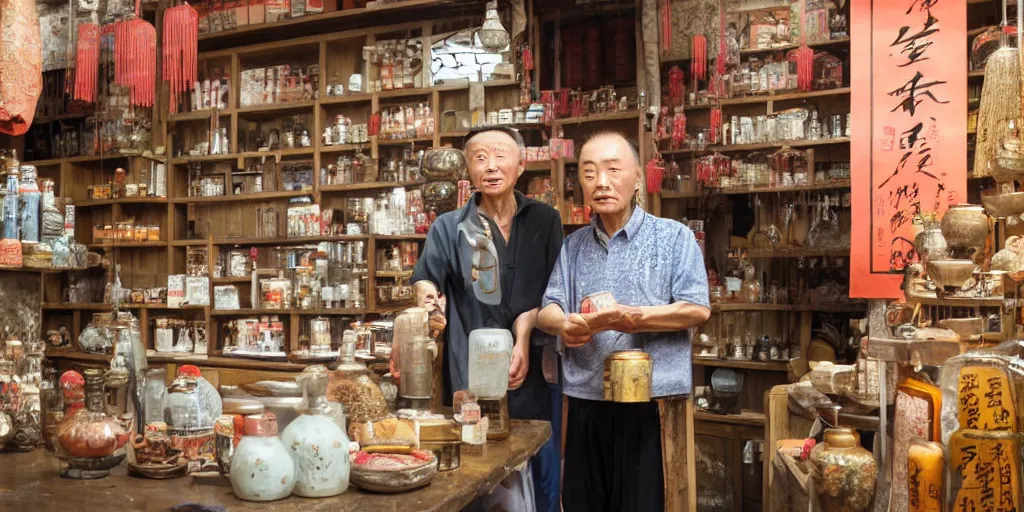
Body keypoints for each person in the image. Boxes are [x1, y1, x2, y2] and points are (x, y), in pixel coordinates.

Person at [537, 131, 711, 512]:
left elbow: (697, 308)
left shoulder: (674, 238)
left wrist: (631, 319)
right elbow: (546, 308)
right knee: (584, 503)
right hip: (585, 401)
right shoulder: (574, 245)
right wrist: (563, 323)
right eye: (589, 173)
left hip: (653, 404)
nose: (601, 182)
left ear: (637, 178)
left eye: (614, 170)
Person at [409, 125, 563, 512]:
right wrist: (428, 301)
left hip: (536, 375)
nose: (491, 166)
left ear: (521, 164)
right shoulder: (449, 227)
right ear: (468, 169)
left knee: (541, 476)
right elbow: (426, 279)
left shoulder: (546, 220)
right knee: (477, 482)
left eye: (500, 156)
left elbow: (558, 291)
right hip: (471, 374)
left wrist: (528, 332)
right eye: (479, 158)